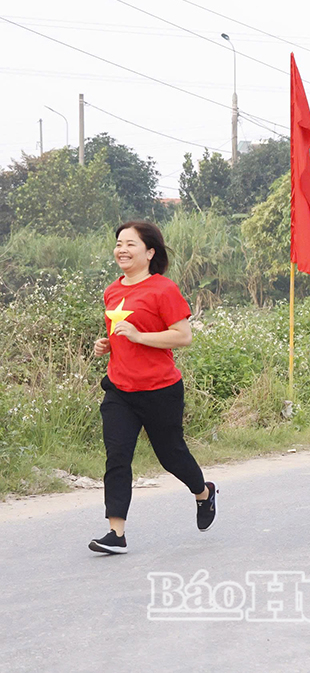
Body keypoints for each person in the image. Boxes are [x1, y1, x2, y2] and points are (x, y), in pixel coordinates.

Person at [89, 222, 216, 555]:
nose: (122, 250)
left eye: (131, 244)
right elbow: (123, 335)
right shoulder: (112, 291)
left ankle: (203, 492)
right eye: (119, 243)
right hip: (120, 390)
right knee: (117, 456)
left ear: (149, 252)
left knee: (171, 455)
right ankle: (116, 533)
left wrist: (139, 336)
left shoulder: (163, 289)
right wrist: (108, 344)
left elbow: (183, 336)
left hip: (160, 389)